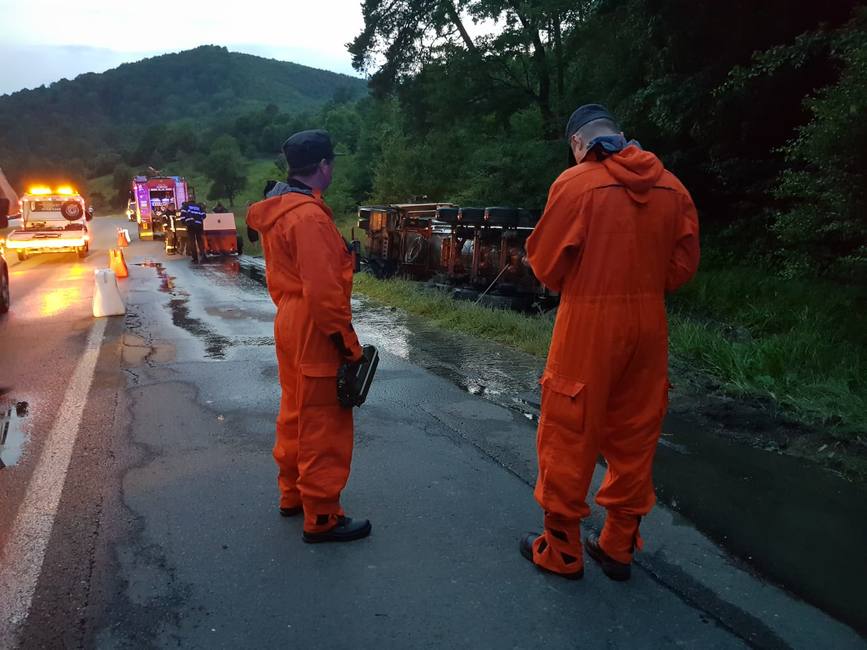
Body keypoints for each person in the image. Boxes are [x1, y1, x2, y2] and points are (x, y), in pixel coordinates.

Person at [520, 104, 700, 581]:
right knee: (637, 432)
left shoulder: (575, 184)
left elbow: (545, 265)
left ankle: (561, 550)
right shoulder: (672, 187)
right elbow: (682, 268)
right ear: (620, 135)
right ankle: (618, 545)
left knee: (568, 428)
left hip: (589, 321)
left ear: (579, 144)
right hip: (648, 324)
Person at [246, 129, 371, 543]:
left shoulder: (281, 210)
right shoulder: (310, 217)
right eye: (331, 163)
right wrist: (347, 345)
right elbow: (324, 292)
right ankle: (322, 515)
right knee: (324, 420)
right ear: (322, 166)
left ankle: (292, 494)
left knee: (295, 410)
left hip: (288, 319)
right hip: (315, 324)